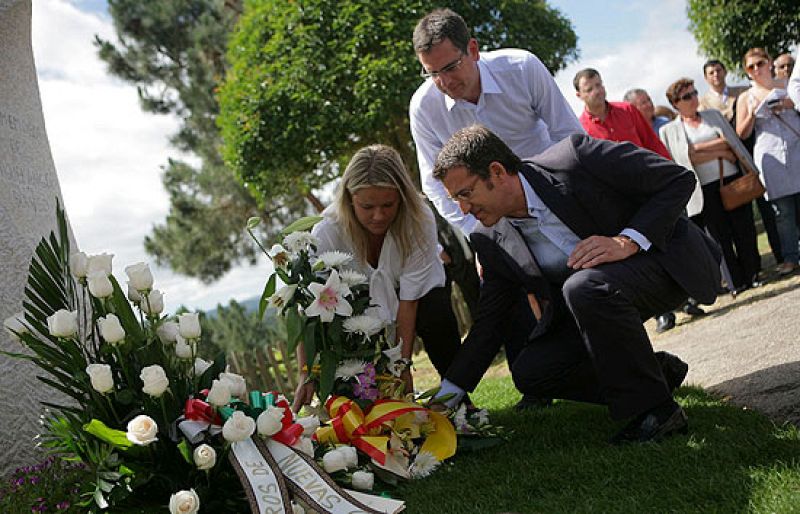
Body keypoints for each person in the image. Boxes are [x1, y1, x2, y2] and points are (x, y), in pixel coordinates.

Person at [432, 125, 721, 443]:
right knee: (533, 370)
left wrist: (627, 241)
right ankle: (657, 374)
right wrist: (444, 401)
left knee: (582, 287)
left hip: (665, 267)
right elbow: (489, 324)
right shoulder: (489, 240)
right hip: (596, 300)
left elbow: (677, 179)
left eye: (465, 193)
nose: (463, 209)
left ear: (497, 172)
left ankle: (659, 412)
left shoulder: (575, 157)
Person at [292, 145, 462, 409]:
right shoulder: (327, 233)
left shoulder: (419, 221)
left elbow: (410, 299)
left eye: (388, 205)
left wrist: (401, 366)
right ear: (350, 199)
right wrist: (307, 371)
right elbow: (310, 309)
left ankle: (458, 397)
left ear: (402, 198)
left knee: (435, 313)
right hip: (355, 311)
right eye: (367, 206)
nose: (379, 216)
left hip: (418, 299)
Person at [409, 7, 583, 236]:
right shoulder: (424, 108)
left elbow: (569, 136)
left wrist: (572, 196)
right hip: (496, 224)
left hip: (555, 196)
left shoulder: (522, 67)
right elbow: (435, 184)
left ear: (473, 50)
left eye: (451, 68)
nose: (445, 82)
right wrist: (480, 235)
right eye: (433, 74)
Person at [660, 78, 762, 294]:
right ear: (675, 103)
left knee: (744, 229)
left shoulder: (713, 116)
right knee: (719, 238)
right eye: (687, 96)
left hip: (732, 181)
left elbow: (729, 141)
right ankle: (736, 283)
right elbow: (686, 156)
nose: (694, 98)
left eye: (695, 92)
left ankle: (753, 275)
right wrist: (720, 152)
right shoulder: (669, 131)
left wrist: (703, 150)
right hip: (703, 189)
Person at [737, 48, 800, 276]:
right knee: (782, 213)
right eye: (751, 67)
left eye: (760, 63)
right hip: (771, 156)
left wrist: (790, 104)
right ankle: (791, 257)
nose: (757, 69)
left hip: (796, 147)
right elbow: (741, 134)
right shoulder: (746, 97)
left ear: (769, 62)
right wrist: (752, 114)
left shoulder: (788, 84)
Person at [574, 68, 670, 159]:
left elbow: (652, 143)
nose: (597, 91)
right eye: (589, 89)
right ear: (579, 95)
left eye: (598, 85)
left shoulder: (628, 110)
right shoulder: (580, 129)